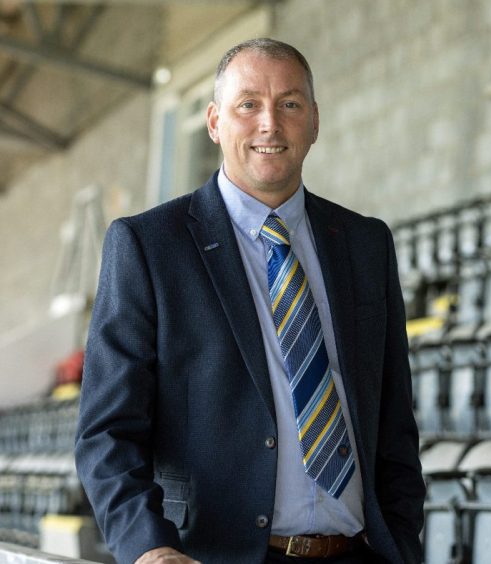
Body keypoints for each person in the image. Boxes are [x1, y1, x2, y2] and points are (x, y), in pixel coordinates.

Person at [74, 38, 425, 564]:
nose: (270, 124)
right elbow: (106, 432)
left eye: (289, 104)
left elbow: (394, 419)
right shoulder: (149, 245)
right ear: (215, 122)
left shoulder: (366, 243)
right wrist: (149, 548)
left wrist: (400, 538)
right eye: (248, 105)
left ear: (314, 122)